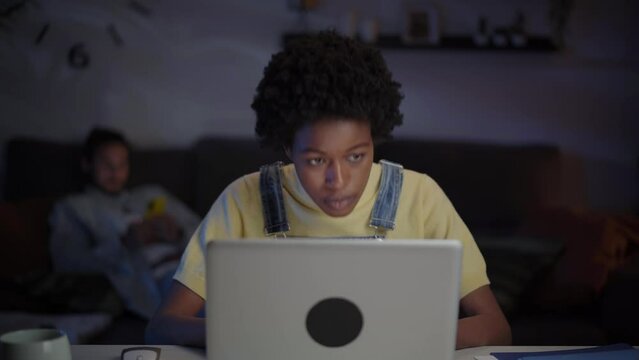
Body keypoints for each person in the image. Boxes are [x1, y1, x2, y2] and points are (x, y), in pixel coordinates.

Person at [145, 30, 511, 348]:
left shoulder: (421, 197)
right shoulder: (243, 200)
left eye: (355, 156)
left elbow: (495, 328)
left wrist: (396, 338)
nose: (338, 180)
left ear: (374, 140)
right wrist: (252, 334)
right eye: (317, 160)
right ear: (289, 149)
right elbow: (162, 327)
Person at [48, 127, 201, 319]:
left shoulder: (152, 193)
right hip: (159, 278)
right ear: (87, 164)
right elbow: (68, 262)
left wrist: (178, 232)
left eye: (122, 164)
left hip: (196, 266)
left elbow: (207, 230)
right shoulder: (74, 208)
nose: (115, 171)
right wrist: (124, 243)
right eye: (106, 164)